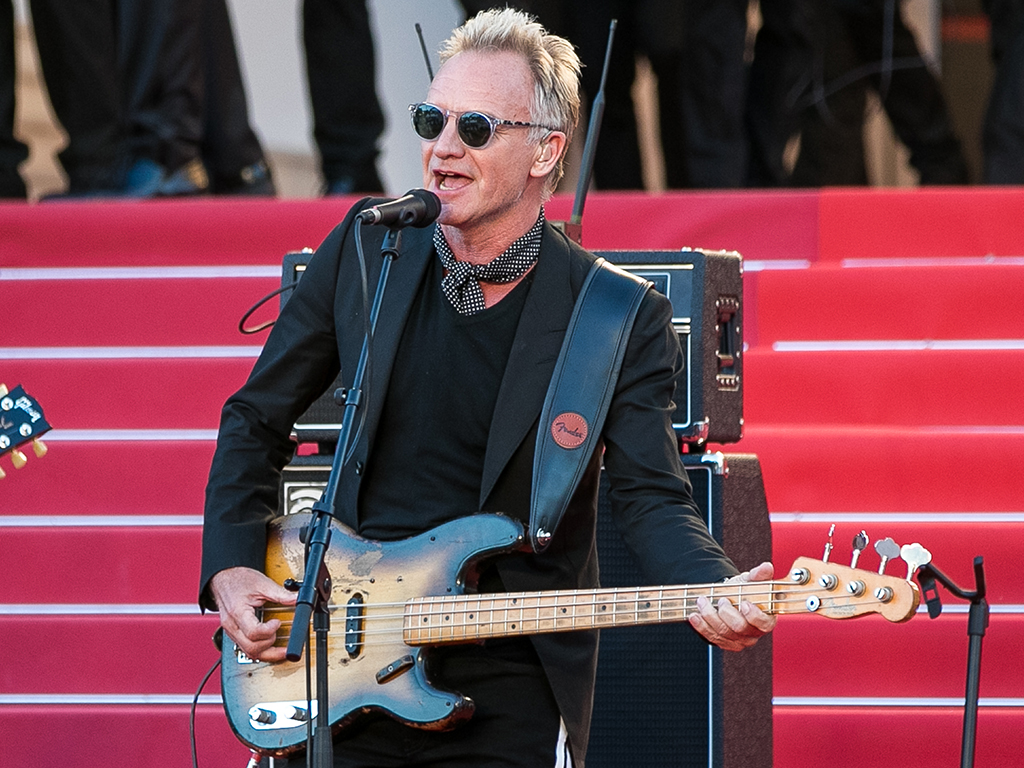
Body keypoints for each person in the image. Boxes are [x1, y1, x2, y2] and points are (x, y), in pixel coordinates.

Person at [200, 9, 774, 767]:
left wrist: (713, 586)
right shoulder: (371, 247)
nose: (443, 147)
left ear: (546, 151)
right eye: (431, 120)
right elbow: (255, 416)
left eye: (474, 128)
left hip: (512, 681)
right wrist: (231, 562)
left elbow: (650, 497)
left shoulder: (613, 314)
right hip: (346, 661)